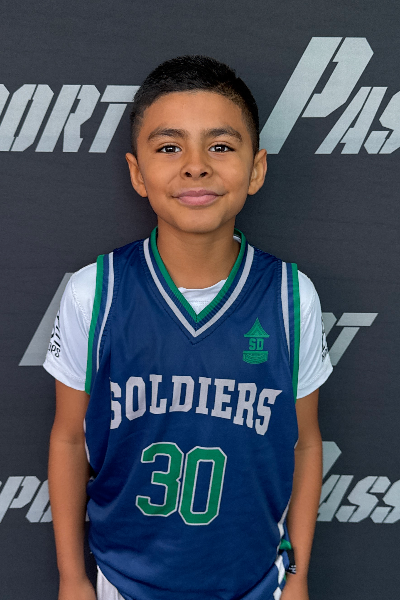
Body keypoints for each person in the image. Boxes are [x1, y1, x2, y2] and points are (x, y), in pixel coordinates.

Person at [44, 55, 332, 600]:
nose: (196, 166)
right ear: (137, 173)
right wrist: (72, 577)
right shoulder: (94, 292)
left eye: (220, 146)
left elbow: (305, 443)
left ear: (256, 169)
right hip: (122, 582)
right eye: (169, 147)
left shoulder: (292, 296)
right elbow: (68, 437)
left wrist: (298, 577)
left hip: (253, 583)